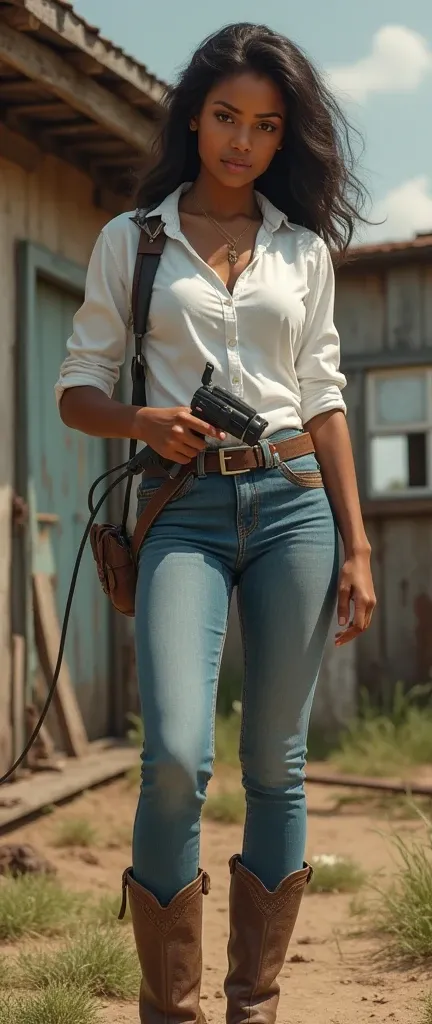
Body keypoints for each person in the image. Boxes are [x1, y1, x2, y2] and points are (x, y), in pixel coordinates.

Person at [56, 21, 376, 1024]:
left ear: (286, 140)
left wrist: (359, 545)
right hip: (181, 510)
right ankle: (173, 1011)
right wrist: (140, 417)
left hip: (294, 507)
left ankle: (254, 1004)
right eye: (227, 116)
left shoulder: (304, 250)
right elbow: (76, 389)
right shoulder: (131, 240)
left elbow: (323, 396)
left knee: (277, 761)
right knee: (175, 757)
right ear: (195, 115)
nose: (241, 140)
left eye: (265, 125)